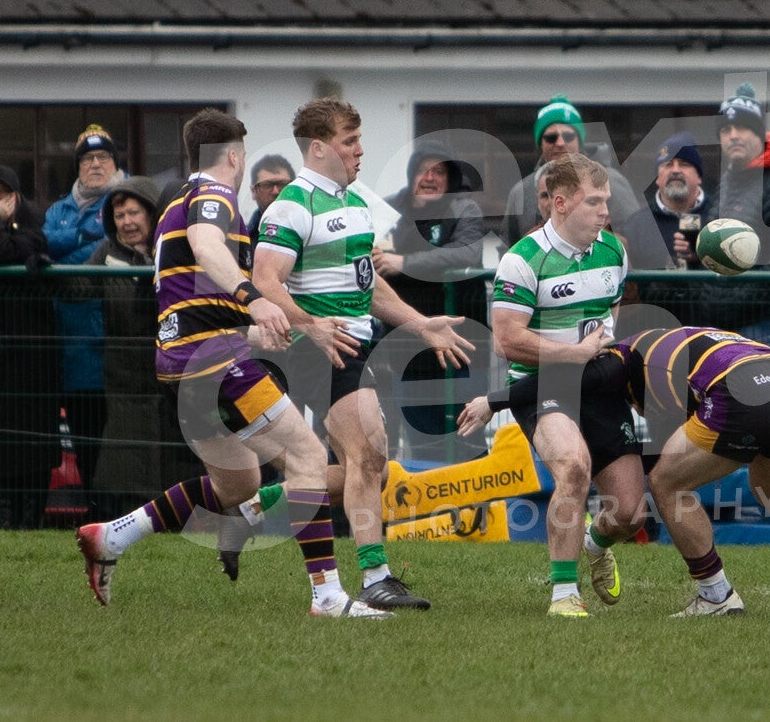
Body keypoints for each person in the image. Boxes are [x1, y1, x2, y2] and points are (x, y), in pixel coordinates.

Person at [75, 108, 390, 619]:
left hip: (178, 361)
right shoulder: (214, 195)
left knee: (237, 486)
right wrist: (254, 298)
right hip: (214, 359)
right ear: (236, 156)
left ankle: (111, 536)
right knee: (309, 460)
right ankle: (328, 595)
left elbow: (191, 292)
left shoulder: (173, 202)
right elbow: (207, 248)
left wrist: (256, 329)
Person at [458, 326, 770, 616]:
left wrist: (493, 401)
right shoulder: (675, 346)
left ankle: (715, 595)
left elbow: (564, 380)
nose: (639, 411)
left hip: (741, 392)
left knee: (665, 483)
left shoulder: (621, 358)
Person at [246, 97, 474, 610]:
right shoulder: (291, 205)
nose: (359, 150)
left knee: (370, 466)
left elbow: (367, 287)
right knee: (369, 456)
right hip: (320, 350)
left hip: (356, 345)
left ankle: (260, 506)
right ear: (319, 148)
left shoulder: (353, 203)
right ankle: (375, 577)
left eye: (359, 140)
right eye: (349, 141)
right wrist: (311, 327)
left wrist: (421, 323)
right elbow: (265, 281)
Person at [491, 152, 643, 618]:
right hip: (541, 386)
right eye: (594, 202)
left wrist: (599, 362)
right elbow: (507, 341)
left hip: (599, 385)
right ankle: (563, 594)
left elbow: (609, 319)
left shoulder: (614, 251)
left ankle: (595, 544)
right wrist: (572, 355)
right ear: (559, 203)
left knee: (630, 514)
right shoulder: (522, 260)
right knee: (574, 469)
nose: (605, 211)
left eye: (606, 201)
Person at [84, 177, 195, 514]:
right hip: (125, 375)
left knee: (176, 453)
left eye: (134, 213)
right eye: (119, 216)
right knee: (127, 457)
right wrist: (43, 266)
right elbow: (76, 286)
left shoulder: (175, 247)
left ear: (151, 213)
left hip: (174, 369)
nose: (127, 222)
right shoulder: (106, 253)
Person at [372, 138, 489, 460]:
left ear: (451, 179)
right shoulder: (390, 209)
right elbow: (367, 249)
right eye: (423, 170)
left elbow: (466, 252)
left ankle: (476, 492)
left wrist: (403, 263)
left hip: (462, 345)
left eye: (439, 171)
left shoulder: (464, 207)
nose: (430, 178)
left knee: (467, 434)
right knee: (422, 438)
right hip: (407, 346)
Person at [44, 125, 128, 495]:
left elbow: (107, 246)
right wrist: (82, 237)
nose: (95, 164)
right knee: (81, 444)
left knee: (112, 446)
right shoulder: (58, 209)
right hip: (66, 350)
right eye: (88, 158)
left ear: (115, 163)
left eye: (103, 157)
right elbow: (44, 243)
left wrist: (64, 254)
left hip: (106, 349)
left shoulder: (124, 202)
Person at [697, 83, 770, 356]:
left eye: (742, 128)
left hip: (767, 322)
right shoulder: (727, 181)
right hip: (727, 324)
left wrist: (731, 301)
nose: (733, 136)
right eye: (726, 130)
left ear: (760, 133)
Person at [0, 165, 57, 527]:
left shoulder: (34, 228)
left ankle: (32, 522)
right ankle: (5, 522)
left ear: (17, 197)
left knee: (33, 446)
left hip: (31, 363)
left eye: (4, 193)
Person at [503, 94, 639, 246]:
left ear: (579, 141)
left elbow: (636, 238)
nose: (560, 143)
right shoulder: (521, 191)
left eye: (568, 136)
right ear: (540, 143)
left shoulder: (610, 181)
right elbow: (508, 247)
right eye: (551, 137)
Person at [618, 131, 711, 324]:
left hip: (714, 328)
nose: (675, 170)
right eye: (668, 164)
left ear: (699, 176)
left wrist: (700, 258)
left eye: (684, 164)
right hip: (654, 332)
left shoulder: (719, 217)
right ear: (658, 178)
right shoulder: (635, 226)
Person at [246, 154, 295, 252]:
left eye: (282, 184)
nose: (275, 191)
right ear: (254, 191)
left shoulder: (314, 229)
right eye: (267, 185)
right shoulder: (243, 240)